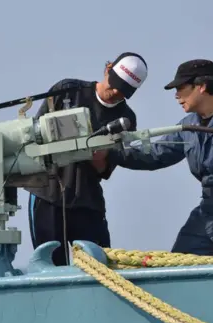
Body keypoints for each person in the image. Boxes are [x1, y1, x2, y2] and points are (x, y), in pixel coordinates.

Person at [107, 59, 213, 256]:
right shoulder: (187, 125)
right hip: (206, 210)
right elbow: (155, 154)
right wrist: (109, 151)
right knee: (177, 265)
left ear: (202, 87)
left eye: (181, 87)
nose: (176, 95)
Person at [25, 52, 149, 266]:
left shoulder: (126, 119)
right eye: (115, 83)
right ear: (107, 69)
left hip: (87, 199)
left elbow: (105, 170)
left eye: (124, 91)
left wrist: (97, 153)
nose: (116, 92)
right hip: (48, 194)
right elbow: (34, 135)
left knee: (100, 265)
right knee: (49, 264)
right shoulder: (67, 90)